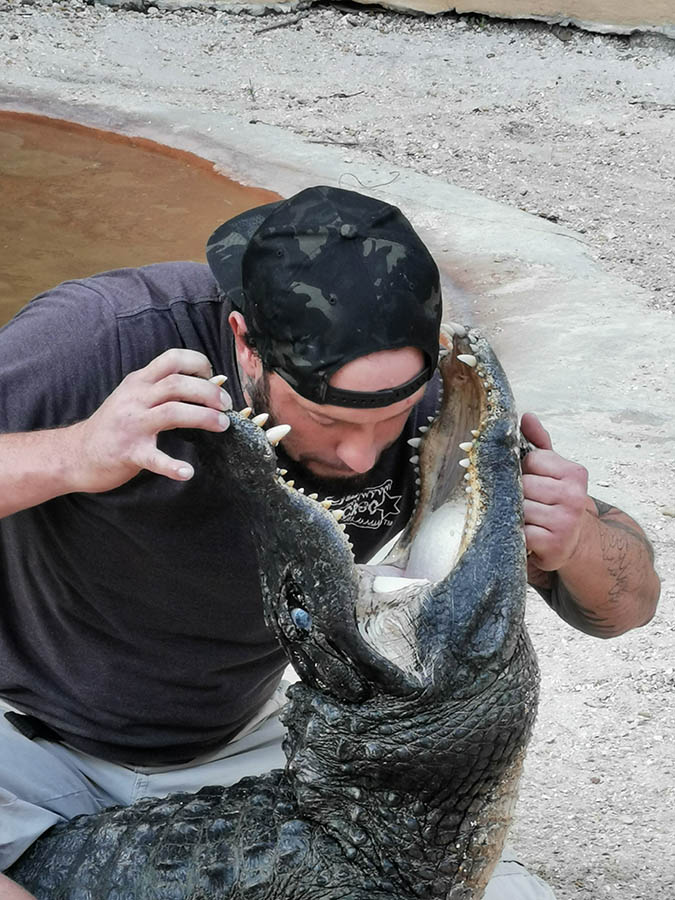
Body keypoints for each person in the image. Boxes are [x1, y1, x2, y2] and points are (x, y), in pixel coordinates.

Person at [0, 185, 660, 900]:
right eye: (326, 418)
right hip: (21, 744)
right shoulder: (101, 339)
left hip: (241, 745)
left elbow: (627, 607)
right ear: (245, 342)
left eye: (392, 415)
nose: (358, 455)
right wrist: (73, 451)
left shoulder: (435, 403)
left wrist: (577, 541)